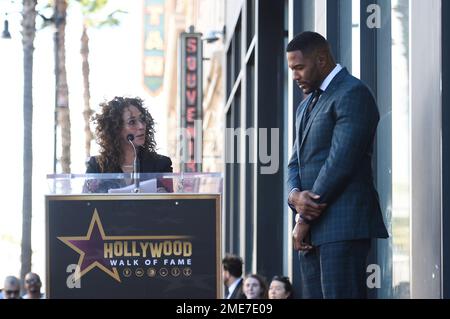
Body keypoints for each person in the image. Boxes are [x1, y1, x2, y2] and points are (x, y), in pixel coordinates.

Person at [286, 31, 388, 299]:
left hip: (342, 227)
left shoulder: (353, 93)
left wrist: (304, 218)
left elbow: (340, 162)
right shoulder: (305, 106)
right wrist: (293, 196)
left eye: (299, 67)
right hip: (309, 235)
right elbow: (293, 163)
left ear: (321, 60)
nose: (294, 75)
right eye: (291, 69)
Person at [84, 96, 172, 192]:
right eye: (132, 122)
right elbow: (86, 203)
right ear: (116, 129)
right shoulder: (97, 166)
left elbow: (169, 203)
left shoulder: (161, 164)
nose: (141, 126)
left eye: (142, 120)